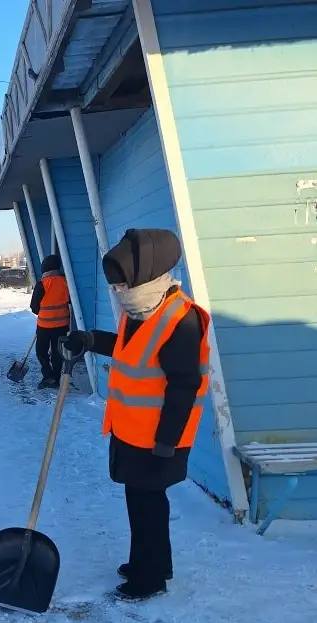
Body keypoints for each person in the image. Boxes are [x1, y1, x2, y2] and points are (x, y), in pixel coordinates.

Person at [61, 228, 209, 602]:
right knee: (141, 503)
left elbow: (184, 385)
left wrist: (167, 440)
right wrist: (92, 340)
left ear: (145, 276)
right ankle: (152, 562)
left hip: (158, 437)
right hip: (132, 431)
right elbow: (130, 351)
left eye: (122, 283)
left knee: (148, 505)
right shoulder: (143, 309)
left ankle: (151, 578)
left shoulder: (180, 320)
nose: (118, 289)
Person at [29, 253, 71, 389]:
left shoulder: (42, 284)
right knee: (57, 352)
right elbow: (71, 300)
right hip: (62, 325)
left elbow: (34, 307)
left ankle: (48, 376)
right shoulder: (66, 281)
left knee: (41, 351)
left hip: (44, 326)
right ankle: (57, 378)